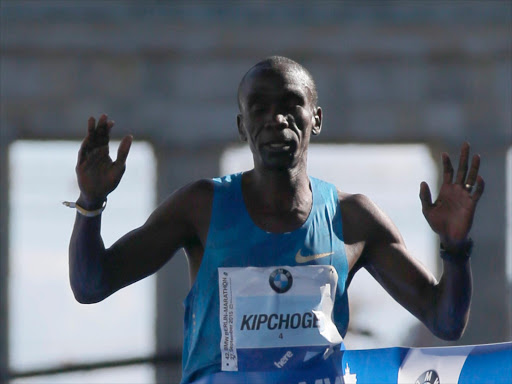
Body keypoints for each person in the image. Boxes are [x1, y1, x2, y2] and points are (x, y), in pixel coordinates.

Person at [68, 56, 484, 384]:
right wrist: (90, 202)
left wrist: (455, 248)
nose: (276, 119)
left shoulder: (352, 218)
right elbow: (91, 285)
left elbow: (445, 321)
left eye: (291, 105)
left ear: (315, 119)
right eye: (260, 108)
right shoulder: (200, 207)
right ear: (242, 125)